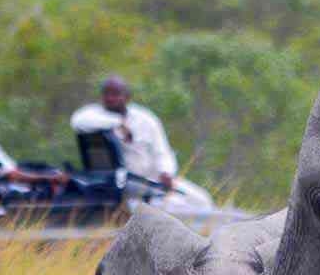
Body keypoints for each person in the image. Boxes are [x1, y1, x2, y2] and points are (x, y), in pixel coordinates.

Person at [69, 75, 213, 210]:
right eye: (107, 94)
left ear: (127, 96)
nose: (110, 98)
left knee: (202, 199)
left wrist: (166, 172)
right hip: (127, 183)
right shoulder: (94, 115)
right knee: (175, 205)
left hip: (155, 179)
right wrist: (118, 123)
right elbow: (78, 121)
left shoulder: (145, 118)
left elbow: (162, 151)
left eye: (115, 94)